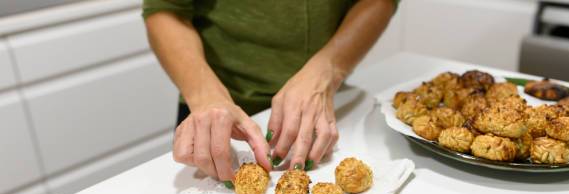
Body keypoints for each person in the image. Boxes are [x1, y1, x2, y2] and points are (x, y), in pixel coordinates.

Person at [143, 0, 398, 183]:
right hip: (216, 115)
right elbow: (166, 10)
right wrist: (206, 97)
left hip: (329, 107)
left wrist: (328, 70)